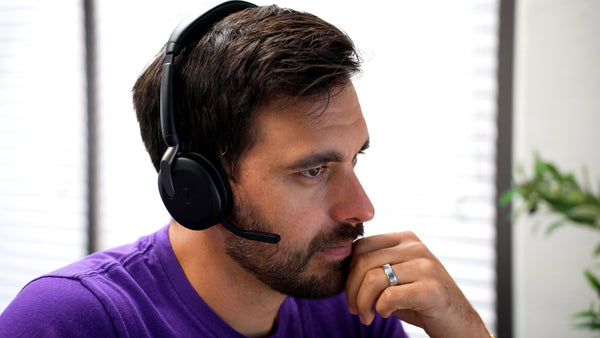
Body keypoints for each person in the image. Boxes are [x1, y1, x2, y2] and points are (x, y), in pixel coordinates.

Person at [0, 2, 493, 337]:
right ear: (198, 188)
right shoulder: (73, 321)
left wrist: (462, 327)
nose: (362, 208)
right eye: (313, 171)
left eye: (354, 157)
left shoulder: (352, 303)